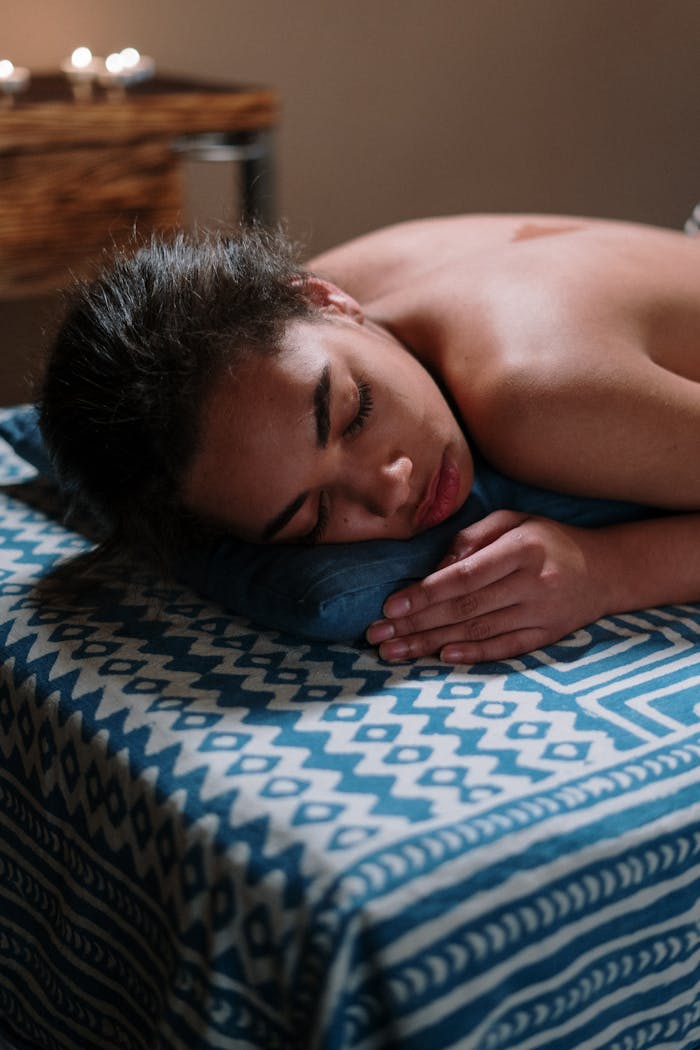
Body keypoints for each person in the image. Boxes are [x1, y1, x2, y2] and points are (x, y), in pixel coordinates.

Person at [39, 215, 700, 664]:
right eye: (316, 514)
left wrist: (612, 570)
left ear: (325, 298)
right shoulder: (297, 328)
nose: (390, 487)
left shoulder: (536, 393)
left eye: (354, 413)